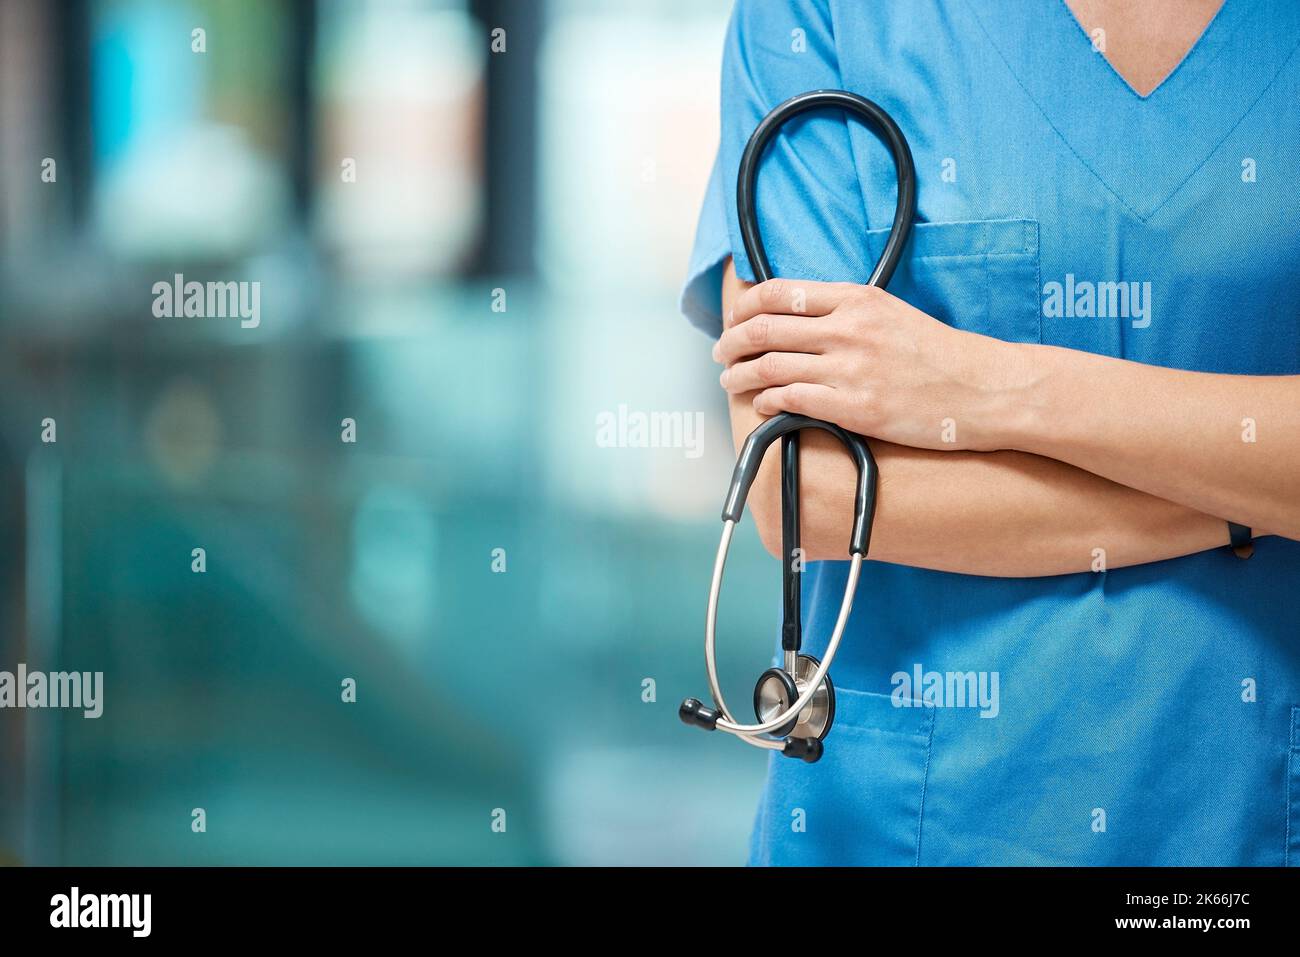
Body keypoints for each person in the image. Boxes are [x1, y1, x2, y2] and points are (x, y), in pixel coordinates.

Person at [680, 0, 1300, 865]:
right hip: (914, 826)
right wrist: (1253, 495)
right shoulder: (824, 19)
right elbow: (806, 492)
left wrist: (981, 384)